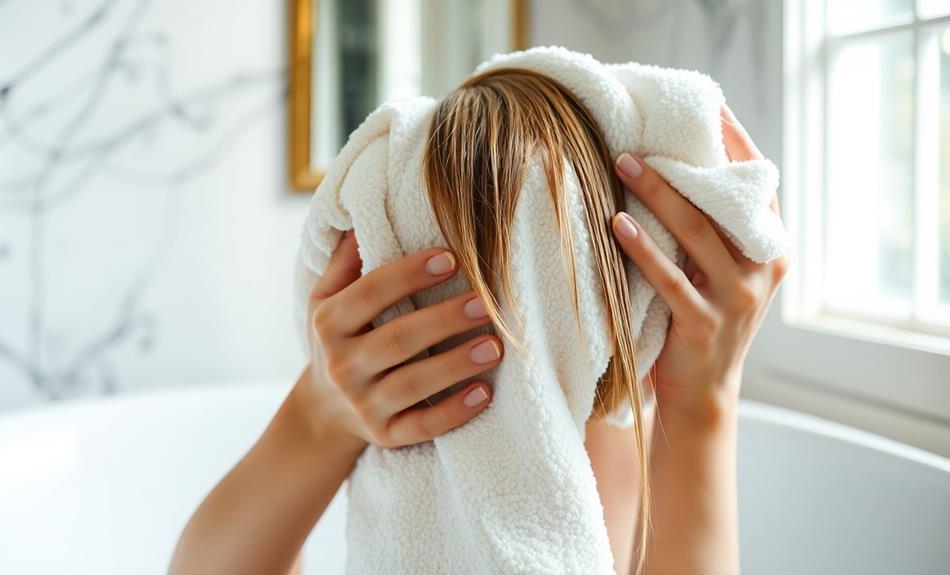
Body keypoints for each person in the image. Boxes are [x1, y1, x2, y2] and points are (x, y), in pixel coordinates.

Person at [168, 79, 788, 574]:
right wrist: (320, 415)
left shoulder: (623, 440)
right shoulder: (380, 401)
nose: (510, 337)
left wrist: (701, 403)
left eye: (542, 278)